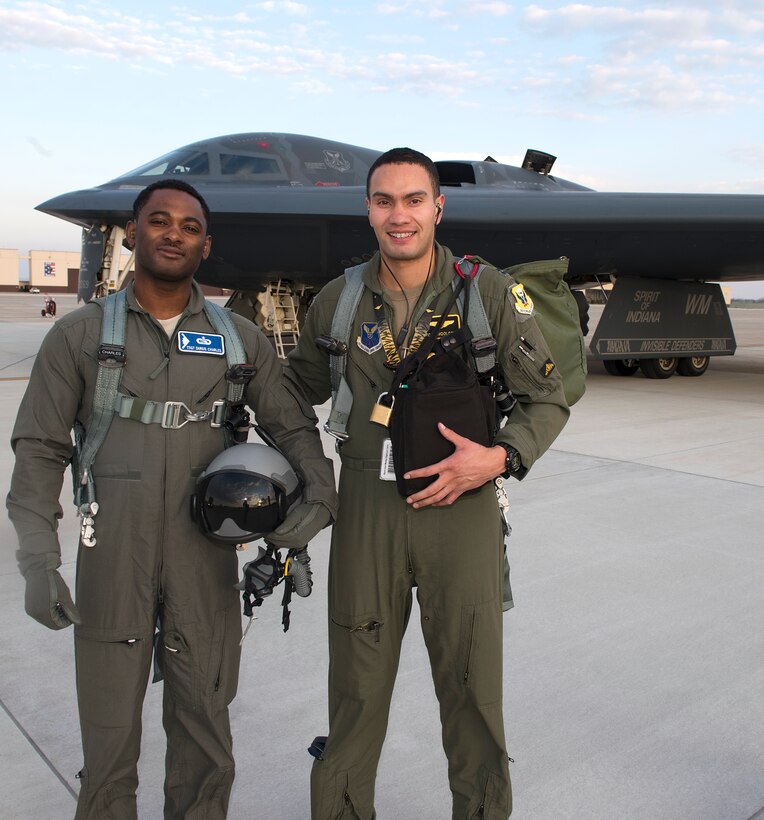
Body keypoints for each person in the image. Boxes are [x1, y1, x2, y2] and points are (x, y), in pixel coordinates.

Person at [6, 179, 338, 819]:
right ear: (132, 234)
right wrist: (37, 561)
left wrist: (319, 497)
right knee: (108, 741)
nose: (173, 233)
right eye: (158, 221)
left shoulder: (238, 340)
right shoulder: (78, 338)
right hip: (111, 557)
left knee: (205, 731)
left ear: (205, 245)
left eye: (189, 226)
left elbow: (294, 427)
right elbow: (40, 449)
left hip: (205, 557)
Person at [285, 148, 570, 819]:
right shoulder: (340, 300)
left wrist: (497, 459)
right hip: (368, 511)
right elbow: (291, 393)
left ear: (438, 207)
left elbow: (548, 398)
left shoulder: (485, 292)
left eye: (413, 199)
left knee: (473, 695)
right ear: (368, 210)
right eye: (384, 200)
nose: (399, 214)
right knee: (355, 694)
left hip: (461, 508)